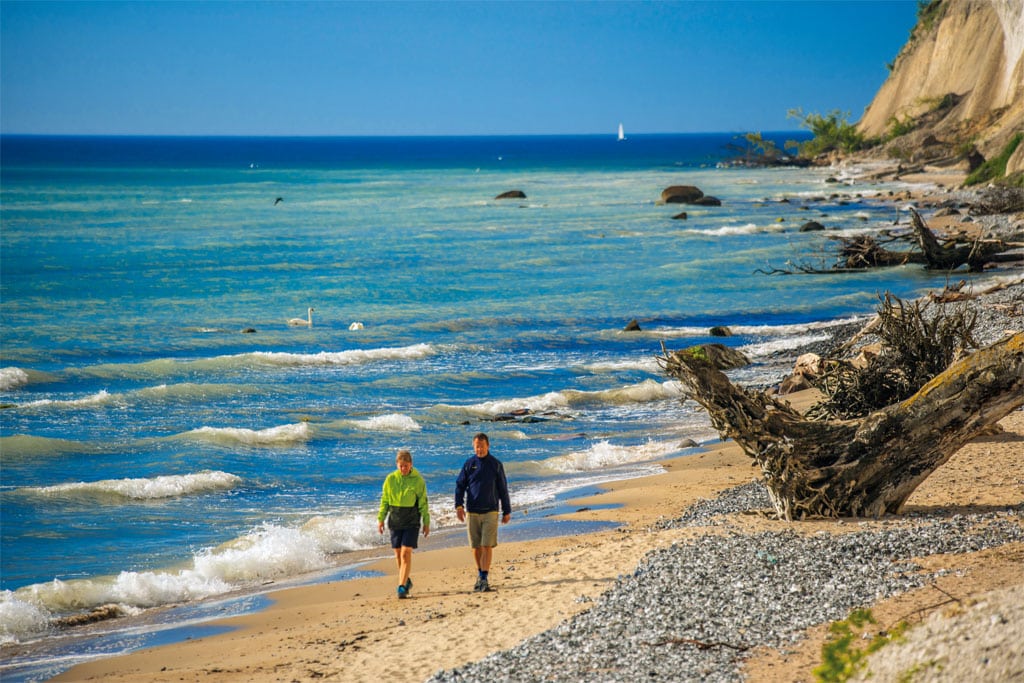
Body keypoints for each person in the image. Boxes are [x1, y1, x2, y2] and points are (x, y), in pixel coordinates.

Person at [454, 432, 511, 592]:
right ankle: (480, 573)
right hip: (472, 512)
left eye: (482, 446)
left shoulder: (496, 464)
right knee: (475, 547)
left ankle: (484, 577)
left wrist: (507, 510)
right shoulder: (468, 464)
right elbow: (459, 485)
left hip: (490, 511)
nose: (479, 449)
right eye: (476, 446)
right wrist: (459, 506)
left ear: (488, 446)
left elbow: (503, 489)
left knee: (487, 546)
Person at [377, 448, 430, 599]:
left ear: (411, 464)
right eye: (400, 466)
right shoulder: (390, 479)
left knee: (406, 553)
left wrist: (426, 522)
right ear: (397, 465)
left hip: (412, 520)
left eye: (406, 466)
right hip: (395, 520)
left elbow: (423, 503)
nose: (403, 469)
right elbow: (385, 501)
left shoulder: (418, 480)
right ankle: (406, 580)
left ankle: (401, 587)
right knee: (399, 555)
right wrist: (380, 519)